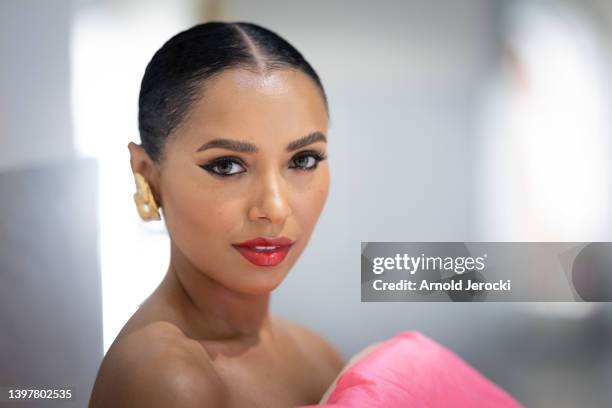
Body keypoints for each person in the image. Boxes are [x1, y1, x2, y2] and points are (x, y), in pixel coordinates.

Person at [89, 21, 344, 407]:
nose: (274, 209)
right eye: (227, 166)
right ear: (146, 175)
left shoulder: (320, 355)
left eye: (303, 160)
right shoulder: (166, 380)